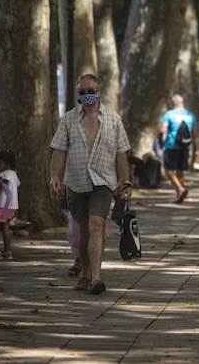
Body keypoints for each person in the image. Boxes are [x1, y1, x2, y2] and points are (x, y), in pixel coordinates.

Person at [50, 74, 132, 295]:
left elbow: (121, 153)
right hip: (76, 181)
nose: (87, 95)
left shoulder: (113, 119)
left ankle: (97, 277)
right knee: (83, 231)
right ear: (78, 94)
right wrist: (55, 176)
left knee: (98, 226)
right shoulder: (68, 119)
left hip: (102, 181)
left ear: (99, 90)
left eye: (91, 91)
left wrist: (125, 182)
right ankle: (86, 274)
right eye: (82, 92)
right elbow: (59, 150)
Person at [159, 94, 197, 204]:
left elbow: (162, 130)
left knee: (168, 171)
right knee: (180, 171)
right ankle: (179, 195)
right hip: (185, 146)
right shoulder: (190, 115)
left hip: (172, 145)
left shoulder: (169, 114)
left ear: (174, 103)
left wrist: (160, 140)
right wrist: (194, 150)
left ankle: (180, 189)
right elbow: (195, 134)